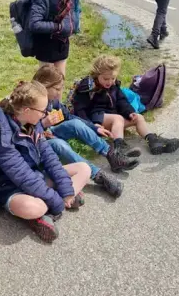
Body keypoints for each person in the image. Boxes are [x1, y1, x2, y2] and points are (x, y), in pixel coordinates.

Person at [0, 81, 91, 243]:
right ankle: (43, 211)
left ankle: (59, 200)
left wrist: (66, 189)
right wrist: (57, 202)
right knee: (34, 207)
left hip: (37, 177)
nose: (46, 113)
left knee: (84, 168)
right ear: (27, 110)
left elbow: (50, 158)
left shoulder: (31, 124)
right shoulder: (1, 140)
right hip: (10, 188)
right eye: (43, 110)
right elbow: (24, 177)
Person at [33, 64, 137, 197]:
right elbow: (23, 132)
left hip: (49, 132)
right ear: (43, 86)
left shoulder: (52, 101)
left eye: (61, 88)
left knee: (75, 123)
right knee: (59, 145)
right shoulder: (32, 103)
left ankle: (112, 155)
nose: (60, 93)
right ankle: (98, 175)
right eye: (57, 89)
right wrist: (42, 124)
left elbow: (68, 116)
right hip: (37, 143)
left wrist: (94, 127)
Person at [72, 55, 179, 157]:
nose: (110, 82)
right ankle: (119, 148)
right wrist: (91, 126)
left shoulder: (114, 86)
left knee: (138, 117)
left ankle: (153, 140)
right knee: (118, 118)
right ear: (97, 75)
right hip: (97, 119)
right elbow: (79, 108)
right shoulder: (89, 88)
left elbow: (121, 101)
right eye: (106, 79)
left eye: (113, 78)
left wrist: (129, 112)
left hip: (114, 121)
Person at [29, 0, 87, 76]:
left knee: (60, 81)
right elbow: (34, 24)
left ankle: (56, 96)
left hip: (62, 43)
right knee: (47, 84)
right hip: (46, 44)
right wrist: (59, 27)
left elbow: (71, 12)